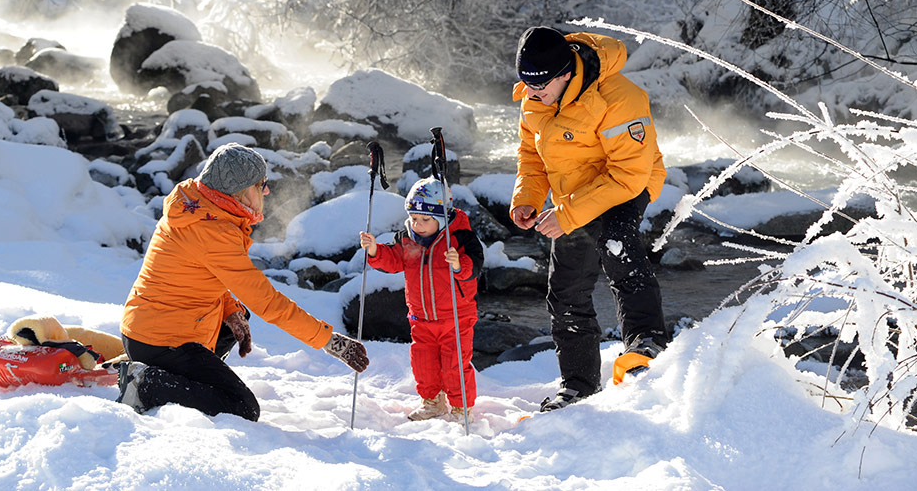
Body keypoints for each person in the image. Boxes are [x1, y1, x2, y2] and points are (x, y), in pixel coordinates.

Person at [117, 142, 369, 419]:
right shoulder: (213, 231)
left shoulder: (195, 206)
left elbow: (200, 272)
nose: (267, 190)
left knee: (238, 313)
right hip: (163, 341)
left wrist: (230, 310)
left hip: (148, 328)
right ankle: (147, 384)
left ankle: (184, 378)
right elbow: (269, 303)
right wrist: (328, 340)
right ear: (240, 191)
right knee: (241, 407)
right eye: (261, 184)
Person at [509, 26, 668, 412]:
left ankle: (646, 342)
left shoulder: (620, 98)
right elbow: (531, 157)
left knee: (616, 243)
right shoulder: (534, 98)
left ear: (566, 74)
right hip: (574, 195)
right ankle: (579, 385)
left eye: (541, 85)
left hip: (626, 185)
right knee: (565, 289)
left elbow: (627, 175)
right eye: (526, 84)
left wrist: (566, 215)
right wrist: (527, 199)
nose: (531, 93)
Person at [359, 176, 484, 422]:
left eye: (425, 220)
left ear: (442, 218)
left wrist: (459, 265)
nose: (418, 225)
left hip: (455, 317)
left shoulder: (460, 238)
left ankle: (461, 408)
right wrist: (374, 250)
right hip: (420, 317)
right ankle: (432, 401)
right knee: (422, 363)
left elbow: (475, 267)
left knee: (454, 366)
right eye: (414, 218)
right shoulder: (406, 239)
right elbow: (393, 260)